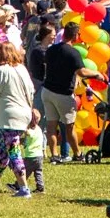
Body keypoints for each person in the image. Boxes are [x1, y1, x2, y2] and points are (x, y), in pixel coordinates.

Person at [0, 42, 38, 198]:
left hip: (10, 116)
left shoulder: (2, 70)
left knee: (14, 152)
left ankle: (24, 188)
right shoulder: (22, 69)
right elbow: (31, 90)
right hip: (23, 113)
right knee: (4, 153)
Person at [36, 21, 83, 164]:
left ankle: (54, 155)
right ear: (75, 36)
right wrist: (98, 75)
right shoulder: (73, 52)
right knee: (69, 126)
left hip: (47, 91)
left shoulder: (51, 50)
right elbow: (81, 71)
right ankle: (78, 154)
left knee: (51, 125)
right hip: (63, 94)